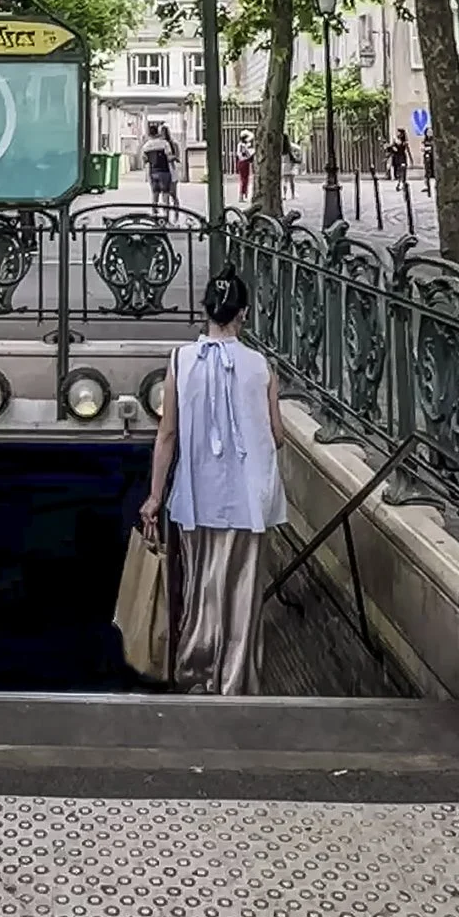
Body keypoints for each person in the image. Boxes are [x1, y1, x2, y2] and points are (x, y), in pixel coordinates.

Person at [138, 268, 287, 695]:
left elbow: (167, 434)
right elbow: (276, 436)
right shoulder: (261, 366)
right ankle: (236, 681)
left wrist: (154, 495)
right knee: (242, 595)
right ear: (243, 314)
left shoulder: (181, 361)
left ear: (206, 311)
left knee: (203, 587)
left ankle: (197, 673)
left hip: (198, 496)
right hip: (250, 500)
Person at [142, 120, 177, 213]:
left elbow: (145, 160)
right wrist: (175, 158)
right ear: (157, 132)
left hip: (153, 172)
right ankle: (165, 216)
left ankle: (154, 215)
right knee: (165, 196)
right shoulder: (164, 143)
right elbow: (169, 157)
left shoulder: (146, 146)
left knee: (155, 195)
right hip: (164, 171)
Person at [235, 128, 255, 202]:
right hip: (244, 162)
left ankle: (243, 195)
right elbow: (246, 154)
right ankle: (241, 195)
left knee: (245, 179)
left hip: (243, 162)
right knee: (244, 179)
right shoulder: (242, 145)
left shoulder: (241, 145)